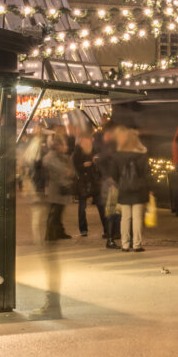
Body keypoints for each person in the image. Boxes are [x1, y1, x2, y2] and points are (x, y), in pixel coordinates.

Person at [31, 130, 74, 319]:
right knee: (49, 256)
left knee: (49, 256)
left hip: (52, 207)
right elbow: (70, 174)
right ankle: (52, 303)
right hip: (58, 205)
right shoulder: (64, 158)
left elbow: (62, 173)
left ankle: (53, 304)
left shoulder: (50, 158)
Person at [113, 126, 151, 252]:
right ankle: (137, 244)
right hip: (139, 190)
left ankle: (124, 244)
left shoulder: (119, 154)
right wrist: (149, 188)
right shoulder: (142, 154)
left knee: (125, 218)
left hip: (124, 190)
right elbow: (147, 173)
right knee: (137, 218)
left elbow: (114, 174)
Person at [71, 131, 108, 243]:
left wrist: (95, 162)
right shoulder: (77, 152)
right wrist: (82, 166)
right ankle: (83, 229)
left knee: (101, 206)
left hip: (94, 181)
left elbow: (101, 163)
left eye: (89, 140)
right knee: (82, 207)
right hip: (83, 182)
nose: (87, 142)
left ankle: (107, 228)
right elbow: (75, 167)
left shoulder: (94, 150)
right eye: (85, 140)